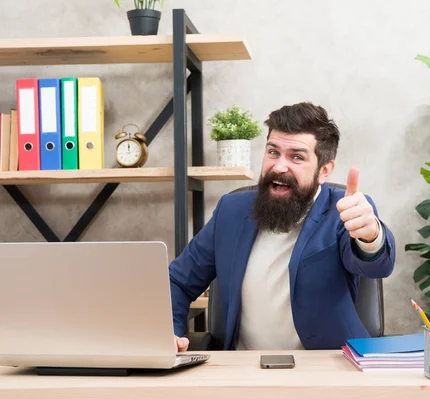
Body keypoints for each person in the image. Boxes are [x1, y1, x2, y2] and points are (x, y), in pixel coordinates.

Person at [169, 102, 396, 351]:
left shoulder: (343, 210)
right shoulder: (231, 210)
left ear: (324, 170)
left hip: (326, 372)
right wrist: (167, 334)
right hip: (243, 373)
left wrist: (371, 236)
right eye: (273, 152)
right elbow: (178, 281)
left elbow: (377, 265)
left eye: (296, 157)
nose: (279, 167)